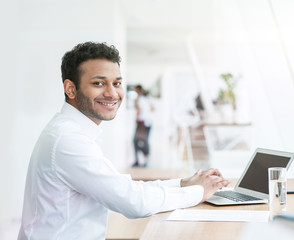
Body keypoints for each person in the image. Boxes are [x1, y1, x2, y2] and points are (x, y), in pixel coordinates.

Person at [18, 42, 230, 240]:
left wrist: (183, 183)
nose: (112, 93)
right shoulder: (68, 140)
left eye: (117, 83)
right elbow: (134, 202)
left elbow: (123, 187)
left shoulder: (71, 132)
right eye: (99, 83)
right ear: (71, 89)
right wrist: (200, 192)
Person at [133, 84, 153, 167]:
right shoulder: (147, 99)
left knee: (135, 141)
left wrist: (136, 120)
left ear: (138, 90)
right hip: (148, 122)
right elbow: (153, 108)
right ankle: (145, 160)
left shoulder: (139, 99)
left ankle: (138, 160)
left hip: (141, 122)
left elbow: (138, 111)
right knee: (145, 141)